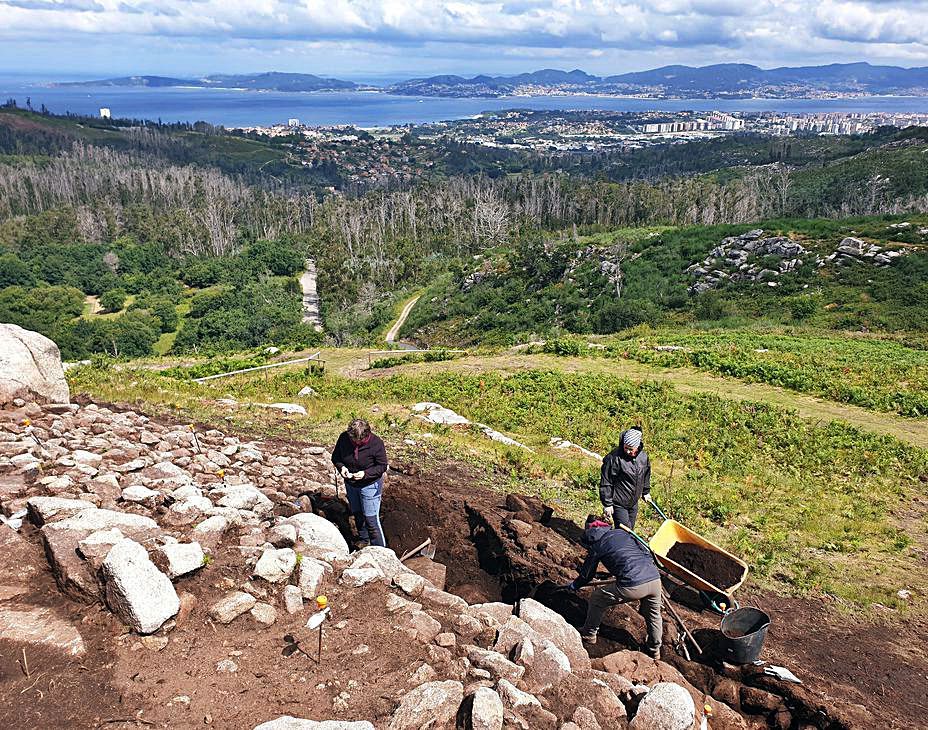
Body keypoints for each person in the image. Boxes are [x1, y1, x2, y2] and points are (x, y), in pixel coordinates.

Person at [566, 515, 663, 658]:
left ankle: (589, 633)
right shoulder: (622, 533)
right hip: (655, 578)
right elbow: (646, 553)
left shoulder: (598, 545)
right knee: (654, 615)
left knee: (597, 598)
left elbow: (587, 574)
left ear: (590, 533)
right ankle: (655, 650)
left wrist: (575, 585)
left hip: (633, 584)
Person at [331, 418, 389, 548]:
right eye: (354, 440)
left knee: (371, 520)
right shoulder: (344, 438)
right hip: (351, 484)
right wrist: (342, 468)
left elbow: (382, 466)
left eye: (360, 441)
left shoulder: (376, 443)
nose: (356, 443)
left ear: (367, 435)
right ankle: (364, 540)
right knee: (357, 514)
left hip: (370, 485)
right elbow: (336, 457)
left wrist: (365, 474)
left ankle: (381, 550)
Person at [599, 426, 652, 529]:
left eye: (630, 449)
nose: (627, 451)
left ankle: (617, 543)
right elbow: (606, 481)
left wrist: (646, 492)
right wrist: (607, 504)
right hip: (618, 502)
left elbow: (646, 475)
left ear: (637, 447)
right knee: (624, 530)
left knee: (630, 530)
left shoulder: (643, 457)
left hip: (633, 502)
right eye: (626, 447)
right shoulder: (614, 458)